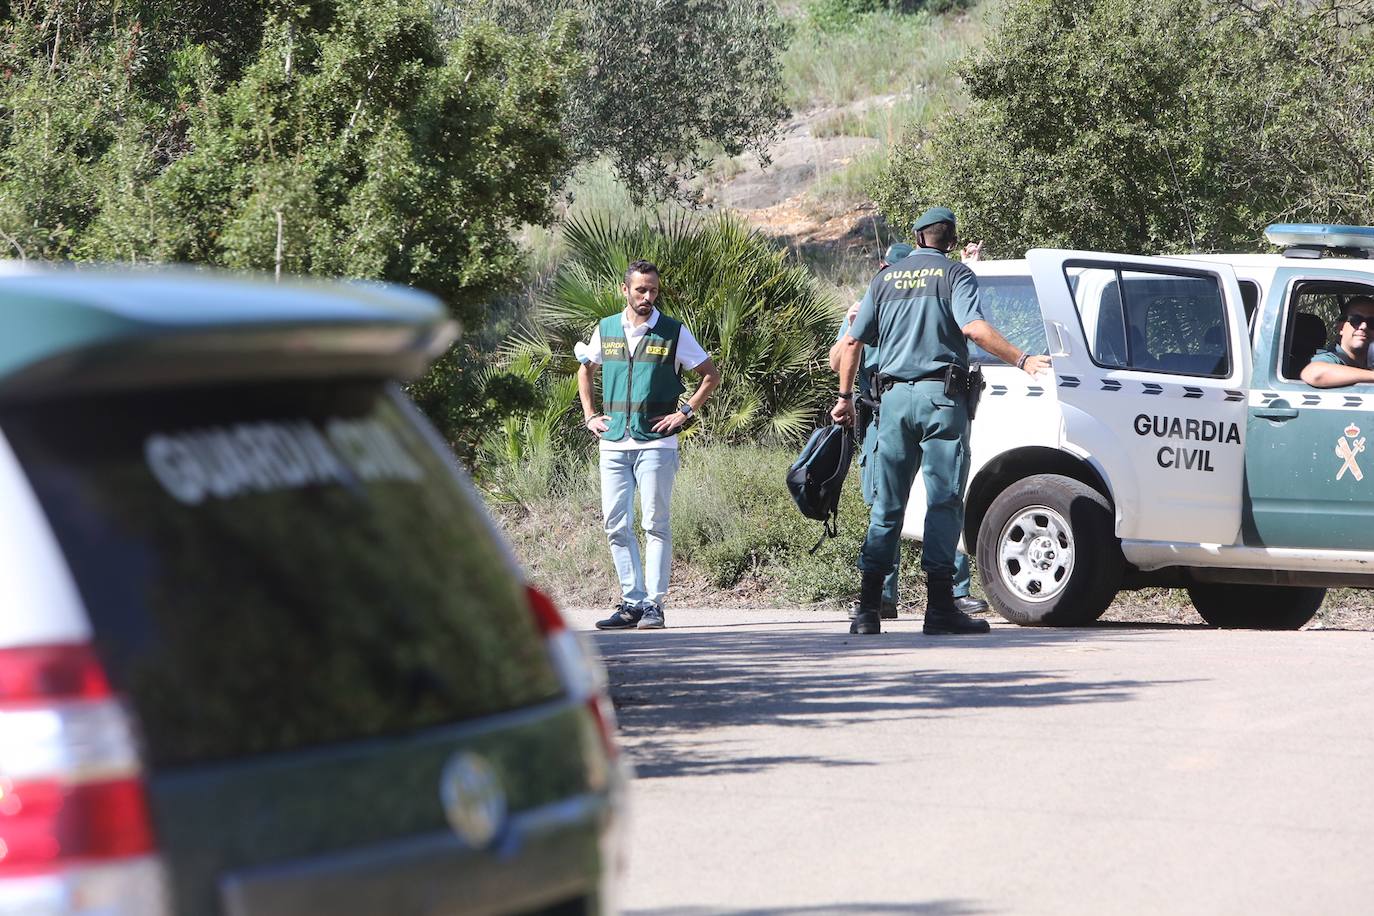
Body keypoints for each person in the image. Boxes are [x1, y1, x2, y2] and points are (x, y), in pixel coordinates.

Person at [833, 207, 1050, 636]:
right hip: (940, 402)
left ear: (916, 238)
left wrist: (844, 398)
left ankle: (867, 611)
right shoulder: (955, 275)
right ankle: (939, 608)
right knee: (943, 501)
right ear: (950, 241)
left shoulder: (885, 279)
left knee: (886, 508)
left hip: (891, 403)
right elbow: (973, 329)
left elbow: (855, 339)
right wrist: (1022, 360)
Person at [828, 242, 990, 622]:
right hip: (884, 411)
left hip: (896, 409)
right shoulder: (877, 295)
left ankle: (942, 595)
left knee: (907, 504)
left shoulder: (887, 289)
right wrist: (852, 324)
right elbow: (841, 354)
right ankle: (890, 599)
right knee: (931, 500)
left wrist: (843, 396)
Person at [576, 259, 721, 630]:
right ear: (625, 290)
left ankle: (654, 604)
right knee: (615, 523)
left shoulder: (673, 331)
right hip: (613, 442)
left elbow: (710, 375)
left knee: (655, 522)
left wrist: (684, 412)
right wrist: (591, 414)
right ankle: (632, 602)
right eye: (641, 289)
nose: (648, 296)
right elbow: (586, 367)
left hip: (656, 442)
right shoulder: (606, 327)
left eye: (653, 290)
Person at [1301, 297, 1374, 387]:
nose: (1364, 326)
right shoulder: (1331, 359)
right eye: (1356, 320)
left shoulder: (1369, 361)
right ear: (1341, 328)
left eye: (1372, 322)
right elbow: (1314, 373)